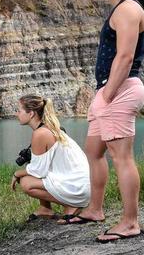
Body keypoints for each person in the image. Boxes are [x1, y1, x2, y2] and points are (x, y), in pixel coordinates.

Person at [67, 0, 144, 244]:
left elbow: (125, 56)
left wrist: (109, 95)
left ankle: (130, 222)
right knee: (93, 151)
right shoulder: (119, 10)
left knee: (121, 157)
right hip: (108, 90)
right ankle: (96, 210)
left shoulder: (127, 10)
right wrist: (102, 94)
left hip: (120, 90)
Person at [10, 94, 91, 223]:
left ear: (31, 114)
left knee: (26, 183)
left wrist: (16, 174)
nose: (16, 114)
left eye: (19, 111)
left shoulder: (40, 133)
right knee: (30, 171)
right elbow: (41, 167)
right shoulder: (48, 128)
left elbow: (38, 172)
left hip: (78, 189)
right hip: (80, 185)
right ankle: (45, 208)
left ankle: (72, 206)